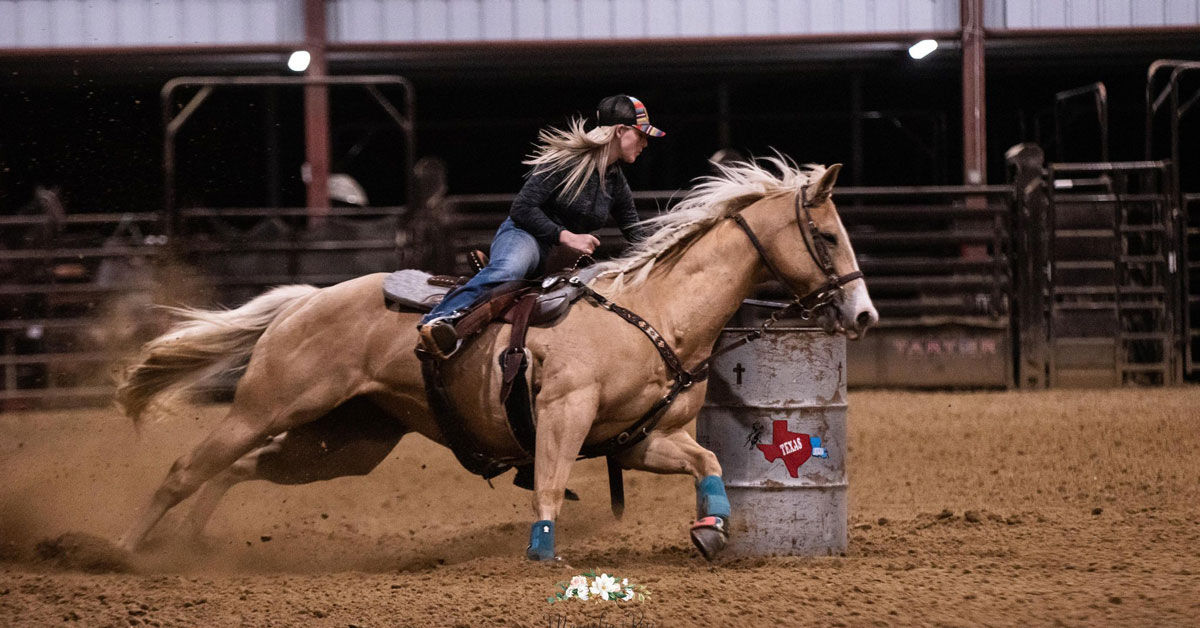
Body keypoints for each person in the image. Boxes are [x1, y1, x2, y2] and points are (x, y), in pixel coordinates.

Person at [416, 95, 666, 358]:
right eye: (641, 135)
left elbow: (635, 231)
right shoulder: (565, 161)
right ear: (620, 131)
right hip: (527, 236)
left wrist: (666, 252)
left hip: (560, 255)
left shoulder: (616, 181)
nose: (645, 143)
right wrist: (565, 236)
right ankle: (438, 320)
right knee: (509, 269)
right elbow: (522, 209)